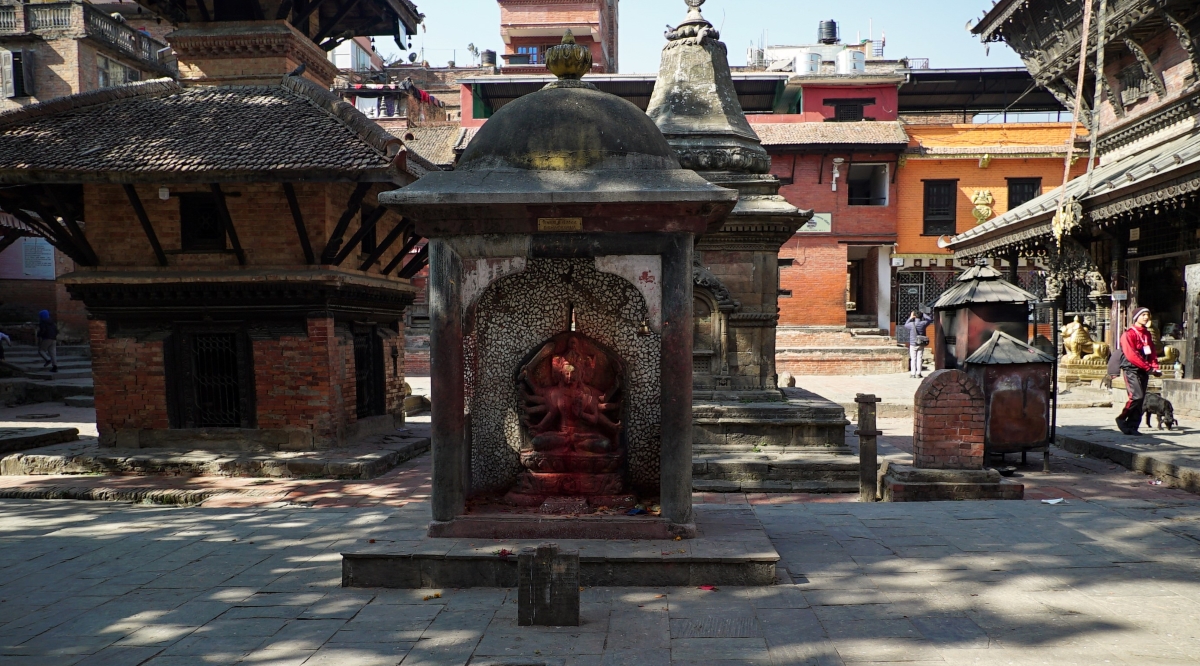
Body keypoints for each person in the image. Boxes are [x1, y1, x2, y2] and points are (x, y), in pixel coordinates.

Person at [1116, 307, 1161, 435]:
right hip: (1131, 368)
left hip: (1144, 369)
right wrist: (1147, 367)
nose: (1146, 317)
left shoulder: (1147, 334)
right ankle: (1121, 418)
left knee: (1141, 400)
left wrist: (1155, 366)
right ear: (1136, 317)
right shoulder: (1128, 334)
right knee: (1136, 396)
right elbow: (1131, 355)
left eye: (1148, 315)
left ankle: (1133, 426)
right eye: (1143, 315)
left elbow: (1152, 352)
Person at [904, 309, 932, 378]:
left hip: (913, 344)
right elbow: (930, 319)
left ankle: (913, 374)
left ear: (914, 316)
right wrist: (923, 314)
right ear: (921, 316)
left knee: (913, 359)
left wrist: (910, 317)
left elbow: (905, 325)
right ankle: (918, 373)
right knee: (919, 358)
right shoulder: (923, 323)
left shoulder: (911, 324)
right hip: (921, 343)